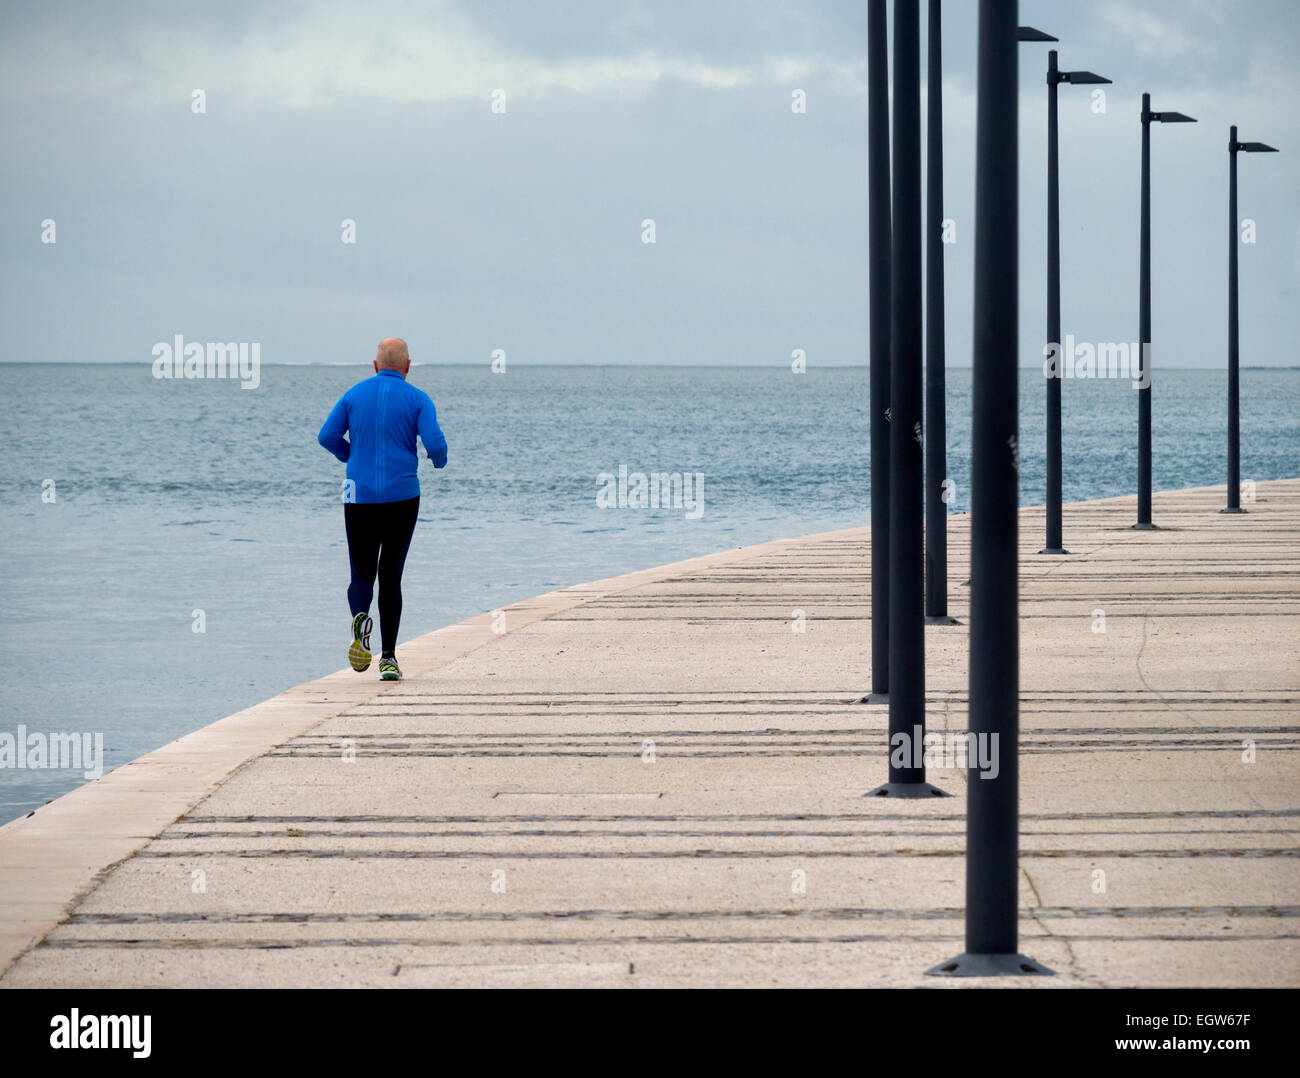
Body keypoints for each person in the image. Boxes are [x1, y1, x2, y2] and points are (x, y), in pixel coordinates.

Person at [318, 338, 447, 680]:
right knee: (391, 575)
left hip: (357, 494)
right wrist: (438, 460)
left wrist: (351, 456)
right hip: (402, 497)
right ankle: (388, 658)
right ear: (408, 367)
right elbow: (435, 445)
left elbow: (326, 436)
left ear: (375, 366)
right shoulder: (419, 400)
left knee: (361, 574)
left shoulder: (353, 394)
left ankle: (360, 618)